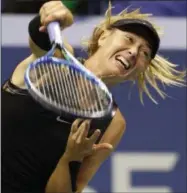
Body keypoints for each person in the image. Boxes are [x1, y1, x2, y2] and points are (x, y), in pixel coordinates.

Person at [2, 1, 186, 193]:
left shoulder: (113, 122)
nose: (133, 52)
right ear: (103, 37)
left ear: (138, 71)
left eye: (145, 53)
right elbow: (39, 40)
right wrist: (48, 16)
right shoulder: (58, 60)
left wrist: (70, 158)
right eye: (129, 39)